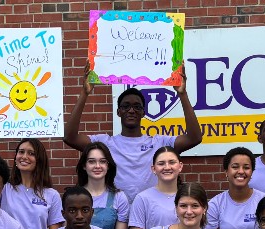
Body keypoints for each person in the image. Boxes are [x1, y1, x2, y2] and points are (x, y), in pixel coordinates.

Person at [63, 67, 202, 203]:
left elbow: (194, 138)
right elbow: (70, 137)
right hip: (116, 214)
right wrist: (84, 93)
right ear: (118, 112)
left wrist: (182, 94)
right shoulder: (105, 143)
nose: (131, 110)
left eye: (137, 107)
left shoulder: (159, 143)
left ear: (143, 113)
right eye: (125, 106)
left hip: (149, 211)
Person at [130, 146, 184, 229]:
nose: (167, 167)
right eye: (161, 163)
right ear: (153, 169)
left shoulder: (190, 197)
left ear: (180, 166)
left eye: (172, 162)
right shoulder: (142, 199)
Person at [76, 142, 129, 229]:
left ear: (108, 166)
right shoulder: (74, 196)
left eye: (102, 161)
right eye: (91, 161)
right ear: (84, 166)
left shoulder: (119, 197)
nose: (97, 166)